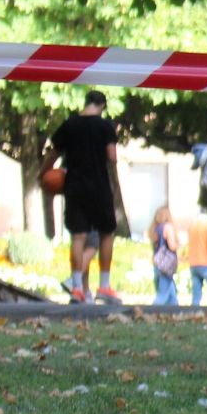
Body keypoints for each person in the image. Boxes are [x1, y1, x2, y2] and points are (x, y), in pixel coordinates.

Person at [43, 89, 125, 304]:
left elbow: (53, 153)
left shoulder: (69, 124)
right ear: (102, 106)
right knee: (106, 232)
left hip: (74, 186)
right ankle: (104, 286)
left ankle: (77, 287)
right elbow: (112, 157)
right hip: (99, 186)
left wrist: (43, 173)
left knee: (78, 237)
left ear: (86, 102)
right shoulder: (105, 126)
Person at [149, 205, 183, 307]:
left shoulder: (155, 229)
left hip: (157, 262)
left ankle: (175, 310)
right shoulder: (168, 227)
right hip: (166, 264)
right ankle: (150, 312)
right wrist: (179, 245)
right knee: (162, 295)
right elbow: (172, 246)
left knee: (172, 294)